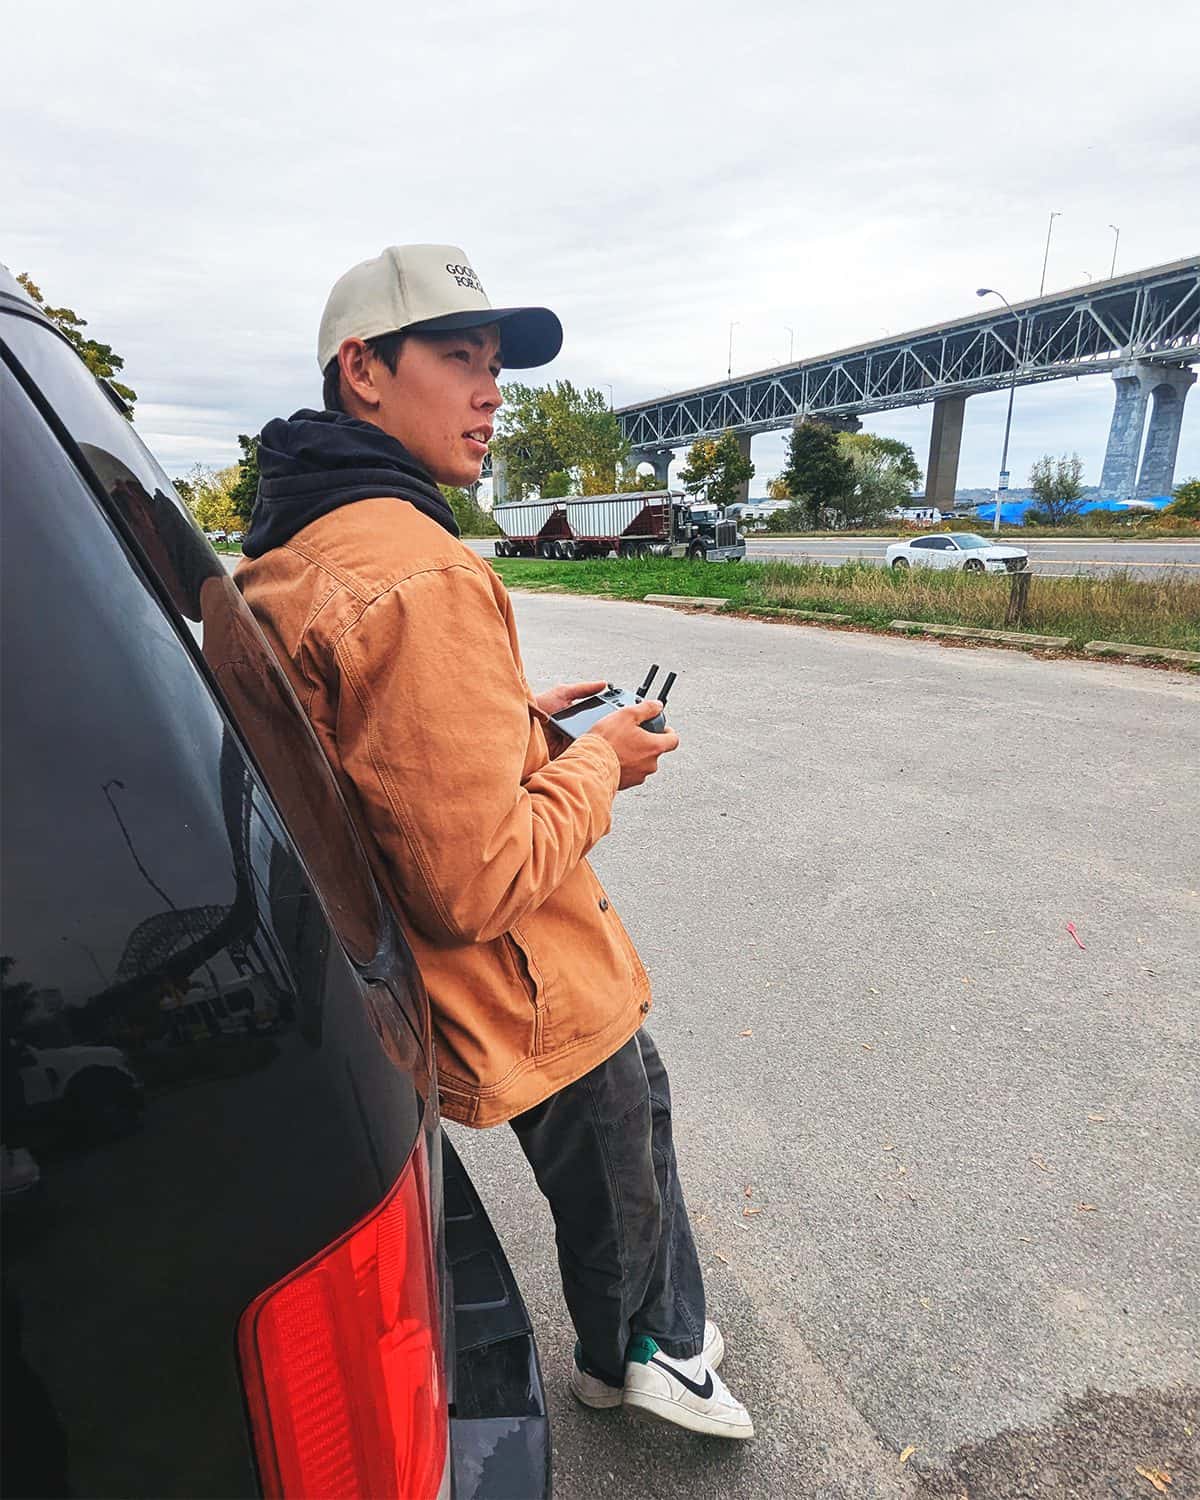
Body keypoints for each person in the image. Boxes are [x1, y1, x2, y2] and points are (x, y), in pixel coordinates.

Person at [235, 245, 753, 1439]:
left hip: (388, 957)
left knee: (626, 1127)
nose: (492, 392)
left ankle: (654, 1329)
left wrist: (519, 719)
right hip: (510, 968)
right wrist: (600, 762)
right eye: (460, 359)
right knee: (621, 1136)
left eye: (498, 366)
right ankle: (647, 1354)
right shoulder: (422, 570)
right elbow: (479, 882)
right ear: (362, 370)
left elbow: (362, 749)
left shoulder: (299, 543)